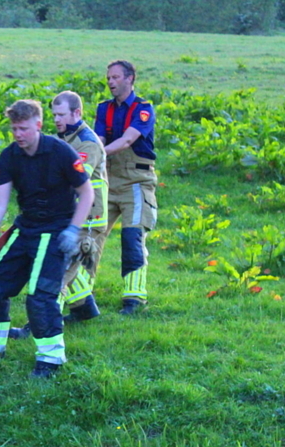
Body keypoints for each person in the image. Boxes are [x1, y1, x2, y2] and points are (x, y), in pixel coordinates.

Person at [0, 99, 93, 379]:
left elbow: (87, 193)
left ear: (38, 126)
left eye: (23, 129)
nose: (18, 134)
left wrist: (73, 229)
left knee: (40, 298)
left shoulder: (61, 152)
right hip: (25, 228)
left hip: (56, 231)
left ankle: (51, 361)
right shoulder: (9, 156)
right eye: (14, 129)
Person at [9, 91, 107, 339]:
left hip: (86, 219)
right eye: (54, 115)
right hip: (67, 215)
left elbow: (73, 180)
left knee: (57, 273)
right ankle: (86, 310)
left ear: (77, 113)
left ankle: (38, 328)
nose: (57, 119)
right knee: (66, 265)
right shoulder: (63, 138)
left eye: (62, 114)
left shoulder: (87, 143)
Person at [94, 59, 157, 315]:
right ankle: (81, 299)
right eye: (108, 77)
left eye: (116, 77)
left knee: (132, 237)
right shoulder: (103, 109)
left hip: (136, 180)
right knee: (89, 237)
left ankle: (134, 299)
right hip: (108, 178)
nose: (110, 81)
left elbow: (127, 140)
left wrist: (97, 155)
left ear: (130, 78)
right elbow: (98, 138)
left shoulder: (143, 109)